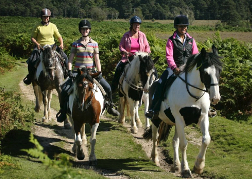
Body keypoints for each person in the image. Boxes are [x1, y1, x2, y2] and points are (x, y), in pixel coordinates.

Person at [56, 19, 120, 122]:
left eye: (86, 29)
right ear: (80, 30)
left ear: (89, 30)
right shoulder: (75, 44)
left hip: (91, 73)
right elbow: (71, 59)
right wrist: (69, 71)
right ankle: (63, 111)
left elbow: (97, 59)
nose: (85, 30)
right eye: (83, 29)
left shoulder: (94, 44)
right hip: (78, 73)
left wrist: (99, 71)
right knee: (64, 90)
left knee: (108, 88)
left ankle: (110, 107)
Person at [145, 15, 199, 122]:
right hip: (174, 68)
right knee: (160, 83)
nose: (183, 28)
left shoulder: (191, 40)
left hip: (188, 68)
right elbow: (169, 56)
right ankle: (154, 109)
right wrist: (174, 68)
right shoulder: (171, 40)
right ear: (176, 27)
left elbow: (195, 55)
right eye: (181, 26)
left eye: (185, 26)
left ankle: (206, 107)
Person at [23, 8, 68, 85]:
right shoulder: (37, 26)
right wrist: (37, 44)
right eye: (44, 16)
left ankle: (66, 74)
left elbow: (58, 36)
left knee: (65, 57)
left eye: (47, 17)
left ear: (49, 17)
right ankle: (30, 77)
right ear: (41, 17)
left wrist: (61, 43)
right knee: (31, 60)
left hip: (52, 47)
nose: (46, 18)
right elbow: (32, 38)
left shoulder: (53, 26)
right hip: (41, 47)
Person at [111, 16, 151, 93]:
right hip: (128, 58)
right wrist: (124, 51)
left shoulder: (142, 35)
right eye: (135, 25)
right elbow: (121, 46)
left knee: (152, 69)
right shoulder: (126, 35)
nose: (137, 26)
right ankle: (113, 90)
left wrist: (146, 53)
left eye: (138, 25)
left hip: (140, 59)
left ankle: (152, 87)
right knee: (118, 69)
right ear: (131, 25)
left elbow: (147, 47)